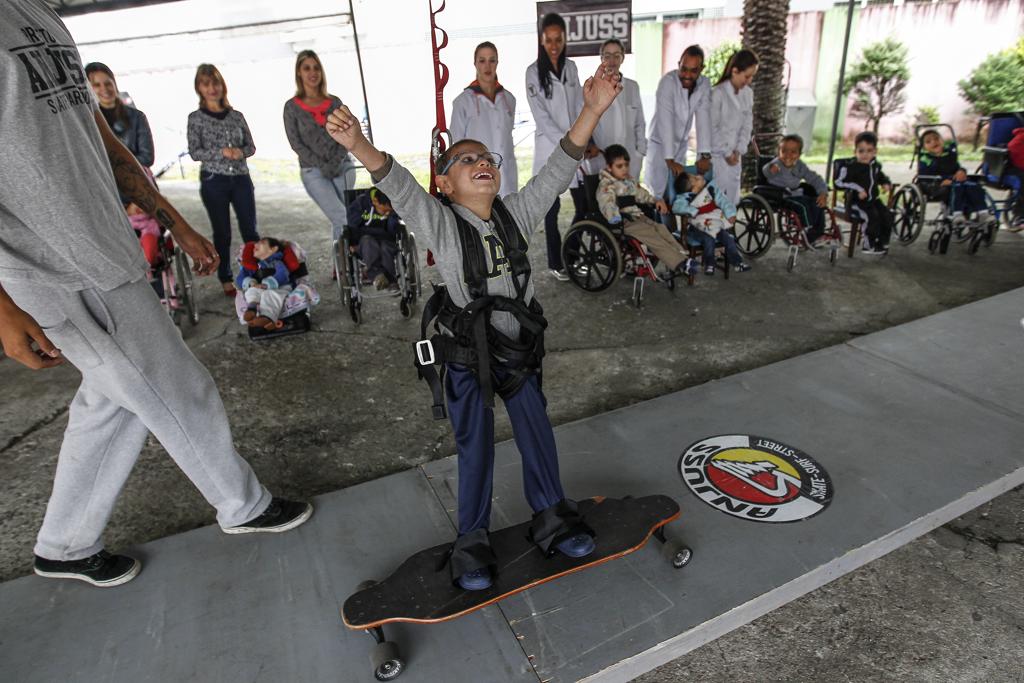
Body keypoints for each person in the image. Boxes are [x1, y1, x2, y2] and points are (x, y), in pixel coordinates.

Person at [0, 0, 312, 589]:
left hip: (104, 248)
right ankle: (243, 505)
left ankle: (64, 544)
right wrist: (2, 308)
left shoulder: (39, 14)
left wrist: (172, 219)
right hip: (56, 270)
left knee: (112, 401)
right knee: (177, 386)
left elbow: (101, 143)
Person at [326, 63, 624, 592]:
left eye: (486, 158)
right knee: (476, 445)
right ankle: (471, 538)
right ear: (444, 182)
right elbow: (399, 186)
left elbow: (557, 170)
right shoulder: (439, 220)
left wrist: (594, 109)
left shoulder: (517, 212)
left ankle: (552, 515)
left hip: (517, 353)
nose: (481, 163)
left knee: (537, 431)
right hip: (467, 356)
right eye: (465, 160)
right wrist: (360, 146)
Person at [526, 12, 592, 281]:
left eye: (558, 40)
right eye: (549, 40)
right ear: (542, 41)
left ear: (565, 39)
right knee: (550, 213)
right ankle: (556, 263)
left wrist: (580, 137)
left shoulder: (572, 68)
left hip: (574, 146)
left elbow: (579, 106)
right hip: (550, 150)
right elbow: (541, 117)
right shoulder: (532, 72)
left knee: (583, 207)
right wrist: (568, 141)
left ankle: (571, 254)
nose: (554, 45)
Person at [187, 63, 259, 296]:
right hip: (214, 180)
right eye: (206, 84)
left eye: (215, 82)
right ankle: (225, 276)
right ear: (199, 88)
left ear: (222, 85)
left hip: (240, 178)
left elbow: (251, 146)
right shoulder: (196, 118)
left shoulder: (236, 116)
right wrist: (220, 152)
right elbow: (195, 151)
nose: (212, 88)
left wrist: (241, 152)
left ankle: (256, 269)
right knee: (222, 232)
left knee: (250, 228)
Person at [283, 49, 358, 244]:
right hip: (312, 171)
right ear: (299, 72)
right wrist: (322, 165)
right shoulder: (291, 107)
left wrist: (334, 162)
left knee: (343, 217)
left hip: (342, 166)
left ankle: (341, 265)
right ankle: (350, 265)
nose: (312, 72)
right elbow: (295, 143)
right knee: (340, 215)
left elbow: (348, 134)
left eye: (316, 67)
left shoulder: (335, 102)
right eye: (306, 68)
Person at [596, 145, 691, 276]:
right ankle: (679, 263)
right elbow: (607, 204)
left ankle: (681, 253)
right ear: (609, 167)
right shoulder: (607, 186)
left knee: (660, 228)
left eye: (626, 165)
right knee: (651, 235)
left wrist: (655, 200)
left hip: (636, 216)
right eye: (619, 166)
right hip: (622, 222)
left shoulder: (628, 181)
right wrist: (615, 218)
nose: (624, 169)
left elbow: (641, 194)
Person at [645, 45, 712, 212]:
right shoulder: (667, 83)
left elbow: (703, 119)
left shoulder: (704, 85)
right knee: (657, 195)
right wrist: (668, 158)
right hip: (660, 144)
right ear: (679, 64)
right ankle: (657, 229)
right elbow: (665, 120)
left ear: (701, 69)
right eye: (684, 69)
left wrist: (704, 154)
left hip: (680, 145)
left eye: (693, 71)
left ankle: (672, 231)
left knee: (677, 192)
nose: (687, 75)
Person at [450, 42, 519, 198]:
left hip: (506, 176)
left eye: (492, 60)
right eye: (482, 61)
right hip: (476, 176)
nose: (487, 66)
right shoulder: (463, 102)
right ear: (475, 64)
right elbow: (456, 146)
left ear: (497, 62)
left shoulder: (509, 99)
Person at [582, 39, 647, 181]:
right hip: (601, 159)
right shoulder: (592, 88)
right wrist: (590, 146)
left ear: (623, 58)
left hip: (629, 159)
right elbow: (586, 123)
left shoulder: (632, 87)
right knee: (604, 199)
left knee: (628, 200)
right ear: (601, 59)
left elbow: (639, 123)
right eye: (607, 56)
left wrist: (640, 153)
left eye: (616, 55)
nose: (612, 61)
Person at [672, 169, 750, 274]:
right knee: (708, 240)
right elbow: (676, 207)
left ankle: (737, 263)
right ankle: (710, 263)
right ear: (694, 189)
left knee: (729, 239)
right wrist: (692, 210)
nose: (698, 176)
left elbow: (723, 200)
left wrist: (730, 213)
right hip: (698, 229)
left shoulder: (710, 190)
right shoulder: (687, 198)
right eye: (695, 178)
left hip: (715, 225)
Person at [762, 134, 831, 245]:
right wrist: (771, 169)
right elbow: (766, 171)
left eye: (793, 152)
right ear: (778, 152)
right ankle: (808, 231)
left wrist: (823, 193)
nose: (788, 155)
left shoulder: (800, 166)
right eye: (784, 151)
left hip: (796, 193)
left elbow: (814, 178)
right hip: (780, 195)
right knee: (803, 207)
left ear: (799, 155)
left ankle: (819, 232)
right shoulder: (776, 164)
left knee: (816, 203)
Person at [710, 49, 758, 204]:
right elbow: (713, 128)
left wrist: (738, 150)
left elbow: (747, 124)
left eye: (752, 76)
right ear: (735, 71)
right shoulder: (717, 93)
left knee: (732, 200)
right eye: (747, 76)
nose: (749, 80)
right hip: (718, 155)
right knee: (715, 199)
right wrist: (727, 152)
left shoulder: (747, 94)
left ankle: (729, 226)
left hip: (735, 156)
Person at [84, 62, 154, 170]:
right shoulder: (88, 121)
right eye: (97, 85)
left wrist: (113, 166)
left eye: (108, 83)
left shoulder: (137, 117)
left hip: (134, 182)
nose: (104, 89)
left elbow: (147, 158)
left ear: (114, 84)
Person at [834, 131, 893, 254]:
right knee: (872, 217)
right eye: (861, 151)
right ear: (855, 151)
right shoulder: (851, 167)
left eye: (869, 150)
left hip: (873, 200)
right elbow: (838, 182)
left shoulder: (875, 166)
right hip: (856, 201)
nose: (865, 154)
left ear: (875, 151)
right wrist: (858, 189)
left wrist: (885, 183)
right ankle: (869, 244)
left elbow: (881, 176)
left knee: (887, 215)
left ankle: (882, 242)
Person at [918, 129, 991, 227]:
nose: (934, 142)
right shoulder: (925, 159)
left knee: (973, 185)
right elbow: (924, 176)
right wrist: (942, 180)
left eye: (936, 139)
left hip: (954, 180)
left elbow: (958, 168)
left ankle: (983, 212)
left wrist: (961, 171)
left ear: (942, 141)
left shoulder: (949, 155)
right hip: (934, 184)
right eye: (928, 141)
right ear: (924, 147)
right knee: (957, 187)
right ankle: (956, 214)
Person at [346, 188, 402, 290]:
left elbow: (394, 230)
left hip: (386, 239)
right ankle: (377, 275)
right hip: (364, 241)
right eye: (384, 210)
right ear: (375, 201)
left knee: (386, 248)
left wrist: (392, 218)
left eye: (389, 211)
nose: (386, 214)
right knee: (368, 241)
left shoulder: (392, 208)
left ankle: (390, 280)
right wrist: (351, 244)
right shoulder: (360, 204)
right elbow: (352, 226)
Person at [237, 237, 293, 330]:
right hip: (260, 288)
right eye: (256, 243)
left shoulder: (276, 263)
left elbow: (283, 274)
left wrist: (268, 284)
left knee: (269, 294)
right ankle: (252, 308)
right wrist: (251, 282)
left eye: (261, 242)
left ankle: (268, 318)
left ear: (273, 249)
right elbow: (240, 279)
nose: (255, 245)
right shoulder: (252, 265)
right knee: (251, 291)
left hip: (279, 288)